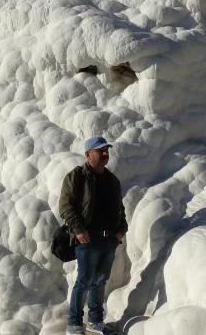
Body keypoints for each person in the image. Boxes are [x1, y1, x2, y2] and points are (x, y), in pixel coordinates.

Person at [59, 136, 128, 335]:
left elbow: (120, 208)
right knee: (85, 280)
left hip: (109, 239)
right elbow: (66, 206)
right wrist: (78, 229)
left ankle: (96, 321)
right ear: (88, 154)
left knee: (100, 280)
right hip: (87, 238)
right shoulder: (77, 176)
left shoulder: (112, 180)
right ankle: (74, 323)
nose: (105, 154)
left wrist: (122, 228)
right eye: (100, 151)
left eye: (106, 150)